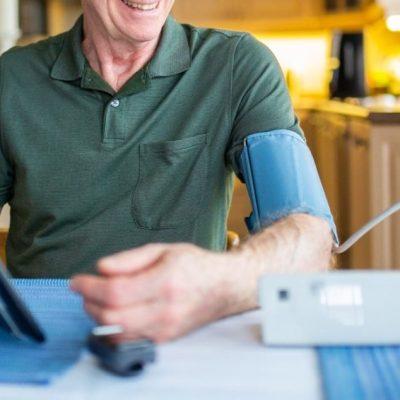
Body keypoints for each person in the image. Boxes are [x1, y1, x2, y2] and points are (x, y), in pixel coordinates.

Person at [0, 0, 334, 343]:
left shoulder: (239, 64)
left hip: (186, 341)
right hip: (33, 340)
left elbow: (310, 239)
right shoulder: (11, 78)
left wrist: (218, 282)